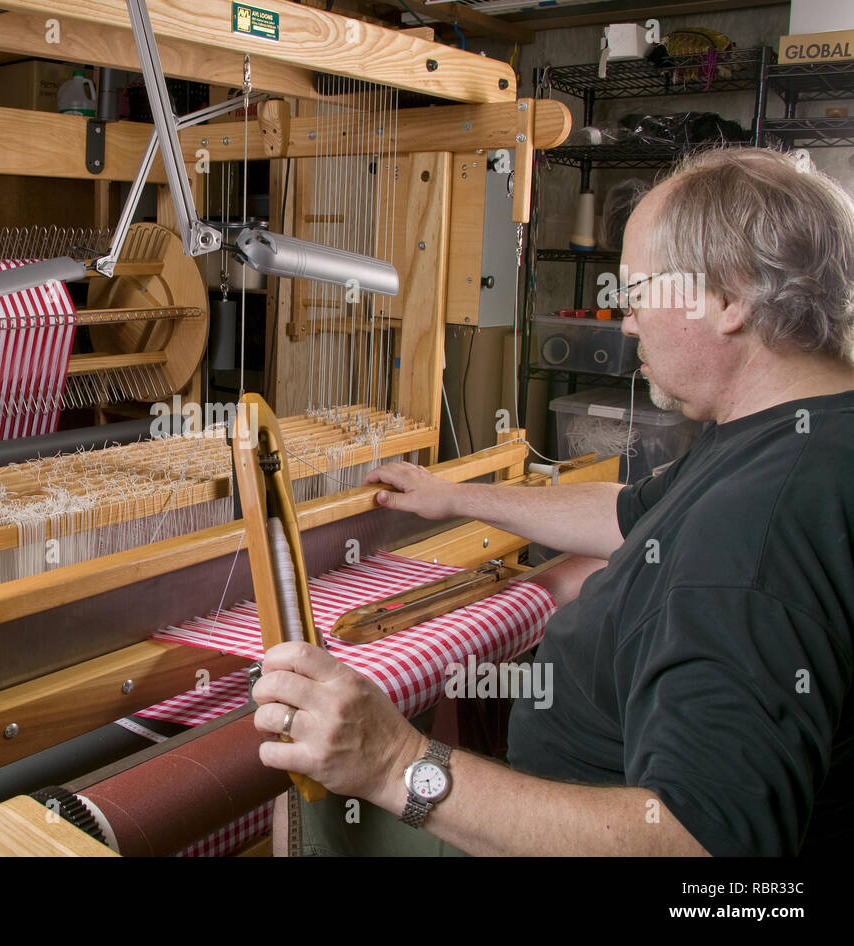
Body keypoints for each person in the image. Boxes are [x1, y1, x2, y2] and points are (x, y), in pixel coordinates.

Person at [251, 147, 854, 856]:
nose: (625, 323)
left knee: (308, 815)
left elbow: (703, 849)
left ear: (729, 298)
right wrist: (456, 497)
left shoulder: (758, 524)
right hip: (590, 784)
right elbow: (630, 513)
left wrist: (396, 765)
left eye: (635, 292)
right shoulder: (796, 434)